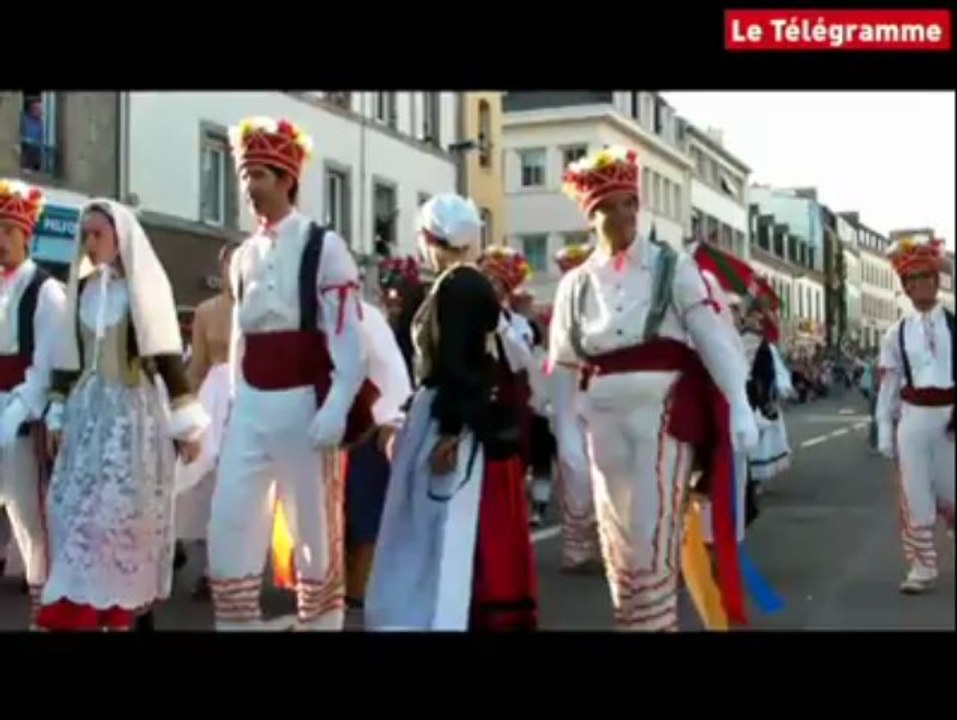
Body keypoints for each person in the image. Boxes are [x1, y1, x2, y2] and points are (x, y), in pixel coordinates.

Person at [549, 146, 758, 631]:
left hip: (661, 413)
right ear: (590, 214)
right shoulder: (575, 285)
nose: (622, 215)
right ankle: (637, 623)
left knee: (653, 534)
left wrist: (740, 404)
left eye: (628, 203)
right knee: (618, 543)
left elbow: (710, 336)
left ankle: (656, 624)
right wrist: (563, 434)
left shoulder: (672, 266)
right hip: (602, 418)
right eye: (608, 207)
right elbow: (562, 364)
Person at [207, 116, 376, 631]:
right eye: (244, 175)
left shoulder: (323, 246)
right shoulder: (241, 255)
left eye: (258, 174)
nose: (248, 187)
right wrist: (236, 404)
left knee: (313, 530)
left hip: (305, 400)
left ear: (286, 179)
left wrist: (336, 403)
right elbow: (239, 337)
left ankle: (320, 623)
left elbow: (348, 336)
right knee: (229, 520)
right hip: (254, 403)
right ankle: (236, 622)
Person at [366, 194, 539, 631]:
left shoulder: (459, 286)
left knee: (441, 524)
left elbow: (463, 364)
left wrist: (449, 430)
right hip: (460, 414)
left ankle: (443, 612)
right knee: (441, 523)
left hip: (456, 417)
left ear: (429, 238)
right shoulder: (465, 283)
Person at [36, 199, 208, 631]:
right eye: (86, 235)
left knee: (116, 516)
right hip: (86, 415)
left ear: (120, 238)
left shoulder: (142, 294)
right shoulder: (83, 292)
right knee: (73, 511)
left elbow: (168, 359)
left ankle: (115, 609)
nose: (90, 243)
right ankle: (80, 605)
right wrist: (57, 412)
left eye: (98, 234)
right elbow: (67, 360)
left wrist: (186, 424)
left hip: (130, 419)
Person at [0, 179, 67, 625]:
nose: (0, 240)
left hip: (23, 423)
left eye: (7, 230)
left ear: (26, 234)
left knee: (32, 526)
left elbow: (48, 365)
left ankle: (46, 617)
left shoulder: (45, 291)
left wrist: (19, 413)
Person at [875, 235, 954, 594]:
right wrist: (883, 428)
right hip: (913, 418)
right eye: (912, 280)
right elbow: (889, 384)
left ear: (937, 281)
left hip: (952, 417)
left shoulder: (952, 323)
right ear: (905, 288)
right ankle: (922, 567)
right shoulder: (897, 332)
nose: (919, 284)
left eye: (925, 277)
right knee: (915, 492)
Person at [343, 290, 413, 612]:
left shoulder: (365, 317)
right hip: (323, 430)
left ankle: (359, 584)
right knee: (339, 513)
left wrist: (388, 419)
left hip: (364, 424)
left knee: (364, 509)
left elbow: (389, 371)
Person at [174, 243, 237, 600]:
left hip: (248, 396)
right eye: (227, 265)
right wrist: (184, 410)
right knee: (202, 483)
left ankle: (231, 570)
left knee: (239, 487)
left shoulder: (262, 309)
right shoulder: (207, 310)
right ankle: (206, 567)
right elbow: (197, 366)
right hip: (214, 400)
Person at [547, 242, 602, 569]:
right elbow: (560, 357)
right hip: (569, 391)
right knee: (574, 465)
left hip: (597, 394)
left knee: (601, 467)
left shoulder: (603, 308)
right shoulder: (563, 310)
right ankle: (577, 545)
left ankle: (600, 544)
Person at [740, 299, 791, 486]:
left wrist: (772, 393)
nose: (757, 322)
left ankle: (752, 477)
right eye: (755, 317)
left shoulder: (760, 342)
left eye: (760, 319)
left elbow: (770, 370)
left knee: (757, 433)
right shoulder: (741, 337)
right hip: (748, 391)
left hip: (756, 392)